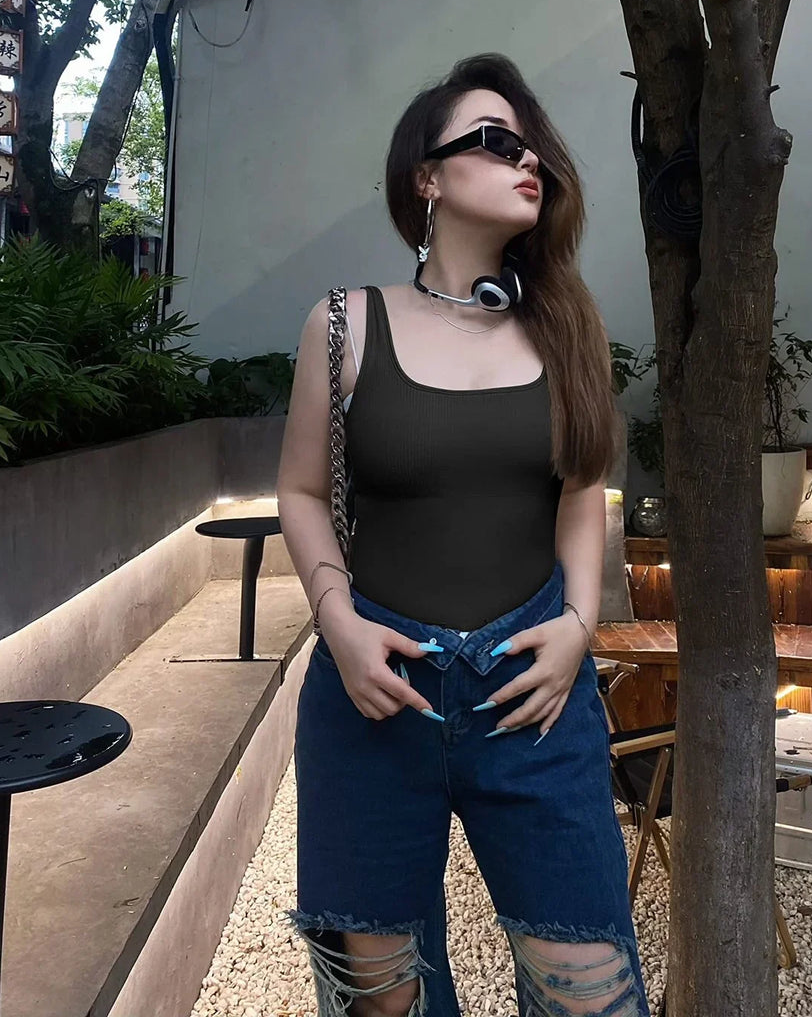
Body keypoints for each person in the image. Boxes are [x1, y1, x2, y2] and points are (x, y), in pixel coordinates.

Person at [277, 52, 650, 1017]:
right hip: (373, 699)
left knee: (590, 991)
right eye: (494, 140)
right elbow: (304, 493)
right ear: (427, 179)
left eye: (531, 146)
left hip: (533, 696)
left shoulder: (566, 326)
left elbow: (583, 489)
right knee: (380, 1000)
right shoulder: (343, 325)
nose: (526, 158)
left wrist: (578, 625)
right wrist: (336, 621)